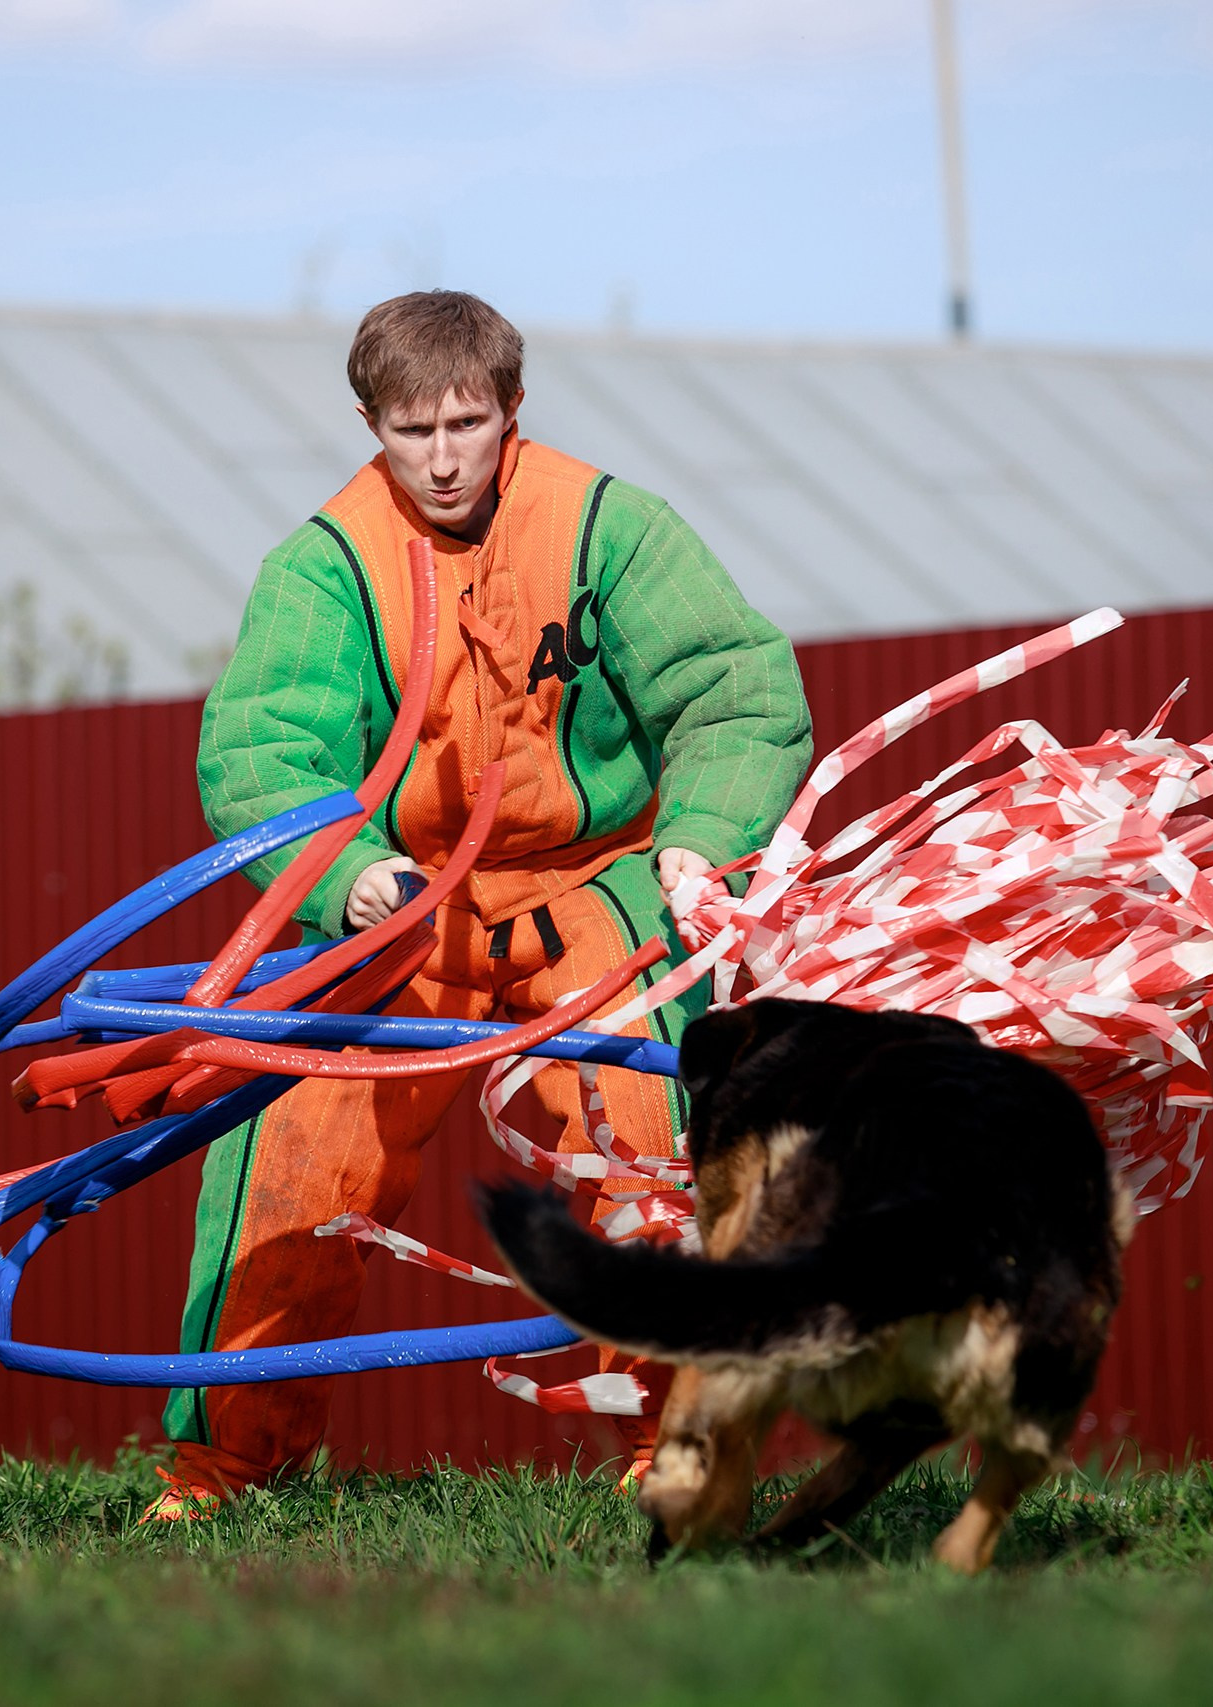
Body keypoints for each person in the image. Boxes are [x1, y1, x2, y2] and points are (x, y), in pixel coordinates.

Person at [155, 289, 811, 1516]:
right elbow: (259, 754)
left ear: (515, 409)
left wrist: (700, 844)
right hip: (399, 906)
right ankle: (226, 1468)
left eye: (468, 422)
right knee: (289, 1147)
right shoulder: (323, 565)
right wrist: (348, 878)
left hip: (597, 886)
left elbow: (737, 687)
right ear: (370, 424)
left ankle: (672, 1449)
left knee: (649, 1138)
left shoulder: (613, 528)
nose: (444, 458)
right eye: (414, 431)